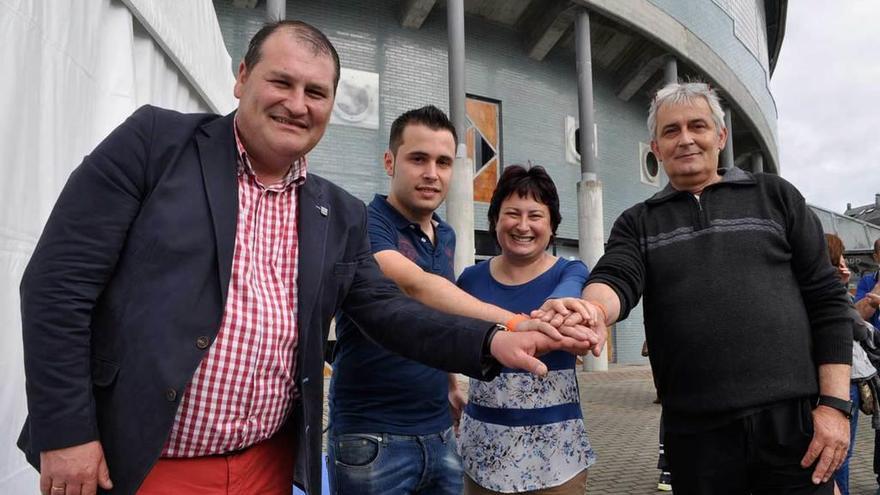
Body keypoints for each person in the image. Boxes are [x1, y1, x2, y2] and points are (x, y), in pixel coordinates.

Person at [17, 21, 594, 495]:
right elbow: (57, 285)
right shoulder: (154, 145)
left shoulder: (333, 212)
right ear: (241, 78)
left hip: (266, 466)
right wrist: (66, 431)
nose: (297, 105)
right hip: (140, 463)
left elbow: (388, 311)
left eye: (315, 93)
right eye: (281, 83)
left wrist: (492, 341)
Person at [543, 81, 853, 494]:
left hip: (790, 427)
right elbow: (617, 275)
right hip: (695, 437)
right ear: (655, 146)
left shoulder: (776, 196)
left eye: (698, 126)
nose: (686, 139)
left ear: (720, 137)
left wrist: (834, 407)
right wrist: (593, 311)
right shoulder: (639, 221)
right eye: (671, 131)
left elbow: (827, 302)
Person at [326, 107, 596, 495]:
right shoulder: (363, 224)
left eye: (443, 162)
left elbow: (441, 314)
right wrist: (517, 324)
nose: (431, 173)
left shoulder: (446, 235)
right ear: (390, 161)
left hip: (441, 432)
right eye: (418, 159)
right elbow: (417, 286)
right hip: (374, 435)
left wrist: (450, 382)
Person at [457, 165, 596, 494]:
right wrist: (448, 382)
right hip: (483, 452)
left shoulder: (570, 272)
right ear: (495, 220)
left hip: (556, 455)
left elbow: (572, 291)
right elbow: (447, 335)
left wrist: (557, 308)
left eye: (535, 215)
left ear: (551, 225)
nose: (522, 225)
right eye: (512, 214)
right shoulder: (469, 280)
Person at [825, 234, 877, 495]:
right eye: (842, 256)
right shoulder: (828, 291)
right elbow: (856, 325)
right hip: (846, 381)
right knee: (840, 455)